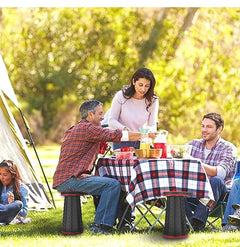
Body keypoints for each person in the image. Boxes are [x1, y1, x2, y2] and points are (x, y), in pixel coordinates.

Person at [52, 100, 155, 234]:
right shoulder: (87, 128)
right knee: (111, 185)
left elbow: (94, 145)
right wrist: (144, 134)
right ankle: (101, 226)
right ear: (90, 114)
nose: (102, 117)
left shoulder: (80, 127)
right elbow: (116, 135)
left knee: (108, 182)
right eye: (100, 113)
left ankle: (117, 222)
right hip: (71, 179)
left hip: (67, 177)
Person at [185, 112, 238, 231]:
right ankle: (188, 222)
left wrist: (195, 163)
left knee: (216, 180)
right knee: (176, 187)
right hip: (193, 190)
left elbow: (220, 172)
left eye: (209, 127)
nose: (204, 129)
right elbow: (179, 158)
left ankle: (197, 221)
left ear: (219, 129)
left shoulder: (228, 148)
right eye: (203, 126)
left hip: (217, 193)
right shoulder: (193, 145)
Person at [108, 67, 159, 150]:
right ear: (134, 81)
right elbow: (112, 120)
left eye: (147, 86)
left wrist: (149, 132)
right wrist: (124, 129)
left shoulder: (153, 100)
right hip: (122, 142)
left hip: (142, 142)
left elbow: (152, 125)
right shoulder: (121, 96)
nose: (143, 89)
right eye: (140, 85)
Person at [0, 160, 29, 225]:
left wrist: (11, 203)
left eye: (5, 175)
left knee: (18, 204)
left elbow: (24, 213)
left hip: (7, 216)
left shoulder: (22, 188)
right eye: (0, 174)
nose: (1, 177)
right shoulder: (1, 185)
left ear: (13, 175)